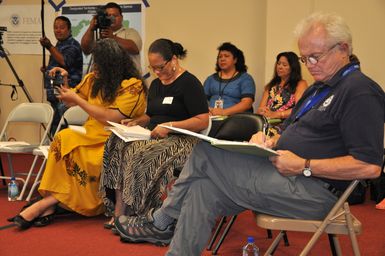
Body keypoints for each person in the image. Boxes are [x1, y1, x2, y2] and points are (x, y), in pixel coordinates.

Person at [112, 12, 385, 255]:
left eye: (316, 56)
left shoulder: (359, 91)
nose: (310, 64)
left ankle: (161, 221)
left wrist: (304, 165)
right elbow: (290, 131)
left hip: (313, 192)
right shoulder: (318, 88)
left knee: (207, 150)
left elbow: (369, 166)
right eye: (305, 58)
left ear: (344, 49)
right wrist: (270, 139)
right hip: (282, 174)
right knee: (201, 188)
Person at [12, 38, 147, 230]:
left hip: (115, 137)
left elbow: (112, 117)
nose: (95, 66)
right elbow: (69, 99)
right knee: (61, 138)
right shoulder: (93, 79)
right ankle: (52, 200)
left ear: (112, 64)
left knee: (86, 157)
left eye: (99, 62)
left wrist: (77, 99)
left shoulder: (132, 85)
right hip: (91, 132)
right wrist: (64, 79)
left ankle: (47, 203)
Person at [99, 38, 209, 229]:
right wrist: (136, 121)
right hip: (156, 135)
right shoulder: (157, 85)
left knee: (139, 153)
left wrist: (171, 126)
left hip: (182, 139)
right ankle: (119, 209)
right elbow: (151, 115)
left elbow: (203, 120)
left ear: (173, 60)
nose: (157, 72)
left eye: (160, 67)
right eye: (153, 68)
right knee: (115, 143)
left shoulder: (190, 83)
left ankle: (142, 212)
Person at [40, 15, 83, 134]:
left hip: (67, 96)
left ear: (69, 30)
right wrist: (47, 69)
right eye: (55, 27)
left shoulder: (73, 45)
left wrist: (49, 46)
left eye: (61, 28)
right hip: (55, 94)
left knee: (64, 130)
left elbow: (65, 61)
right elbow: (58, 64)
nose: (57, 30)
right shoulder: (59, 44)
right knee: (55, 130)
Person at [256, 51, 307, 136]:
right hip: (267, 123)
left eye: (284, 65)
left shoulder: (300, 84)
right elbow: (261, 108)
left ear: (293, 68)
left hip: (287, 125)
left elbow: (300, 109)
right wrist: (261, 111)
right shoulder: (271, 85)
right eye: (278, 64)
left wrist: (277, 114)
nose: (280, 67)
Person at [81, 2, 142, 70]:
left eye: (115, 15)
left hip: (128, 78)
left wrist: (112, 37)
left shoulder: (131, 32)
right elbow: (86, 49)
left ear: (121, 17)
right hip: (105, 77)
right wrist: (91, 28)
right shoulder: (99, 34)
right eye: (109, 15)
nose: (112, 18)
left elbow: (134, 49)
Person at [204, 42, 255, 116]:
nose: (222, 59)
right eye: (220, 57)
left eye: (226, 56)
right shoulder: (210, 79)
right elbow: (201, 101)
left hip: (236, 119)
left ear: (235, 60)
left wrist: (224, 112)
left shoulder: (245, 78)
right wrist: (209, 111)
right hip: (211, 117)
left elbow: (247, 103)